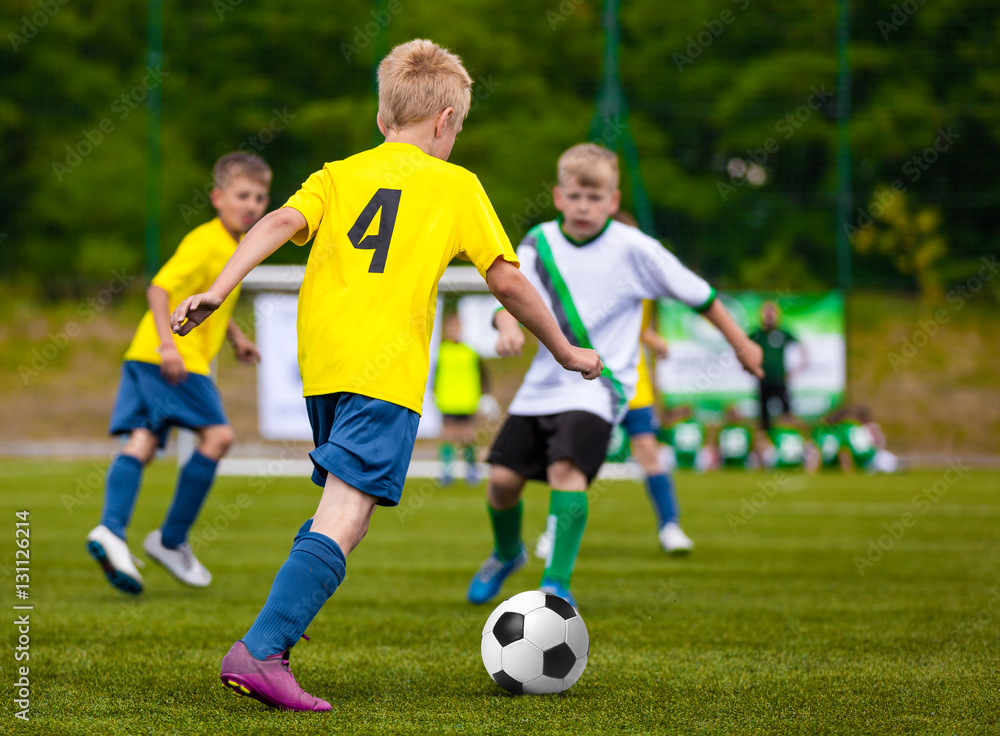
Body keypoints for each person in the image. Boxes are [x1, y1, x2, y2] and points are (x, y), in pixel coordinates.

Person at [169, 40, 603, 712]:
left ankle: (282, 629)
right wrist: (567, 349)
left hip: (322, 367)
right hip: (383, 371)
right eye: (456, 128)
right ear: (445, 121)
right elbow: (507, 278)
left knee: (347, 511)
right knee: (345, 514)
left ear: (382, 120)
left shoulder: (339, 173)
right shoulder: (456, 185)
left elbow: (281, 221)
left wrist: (221, 287)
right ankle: (261, 648)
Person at [467, 143, 763, 609]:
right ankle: (507, 553)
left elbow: (700, 295)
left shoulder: (637, 249)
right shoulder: (537, 242)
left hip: (599, 388)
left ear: (613, 199)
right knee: (501, 483)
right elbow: (510, 299)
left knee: (567, 471)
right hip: (541, 387)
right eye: (575, 196)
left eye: (595, 196)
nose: (584, 206)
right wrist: (506, 328)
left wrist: (741, 343)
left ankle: (555, 584)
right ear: (559, 197)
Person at [85, 152, 268, 596]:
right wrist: (169, 345)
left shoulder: (233, 243)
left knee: (144, 442)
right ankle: (170, 540)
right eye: (243, 195)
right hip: (173, 357)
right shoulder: (206, 242)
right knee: (219, 436)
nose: (253, 204)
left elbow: (201, 301)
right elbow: (160, 288)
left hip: (146, 355)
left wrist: (235, 337)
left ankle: (111, 531)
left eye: (261, 196)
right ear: (217, 197)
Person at [434, 311, 488, 485]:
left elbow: (483, 375)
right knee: (448, 436)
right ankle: (446, 472)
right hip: (447, 401)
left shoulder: (470, 352)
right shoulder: (440, 352)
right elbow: (434, 376)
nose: (454, 330)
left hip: (467, 401)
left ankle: (472, 470)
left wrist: (484, 395)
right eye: (451, 326)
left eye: (457, 326)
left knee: (467, 436)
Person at [748, 301, 807, 430]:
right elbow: (741, 347)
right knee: (763, 416)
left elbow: (802, 347)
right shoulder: (757, 334)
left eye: (772, 313)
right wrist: (748, 366)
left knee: (786, 412)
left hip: (780, 379)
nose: (769, 316)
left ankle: (787, 438)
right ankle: (766, 440)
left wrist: (798, 368)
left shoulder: (782, 333)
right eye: (766, 313)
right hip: (763, 379)